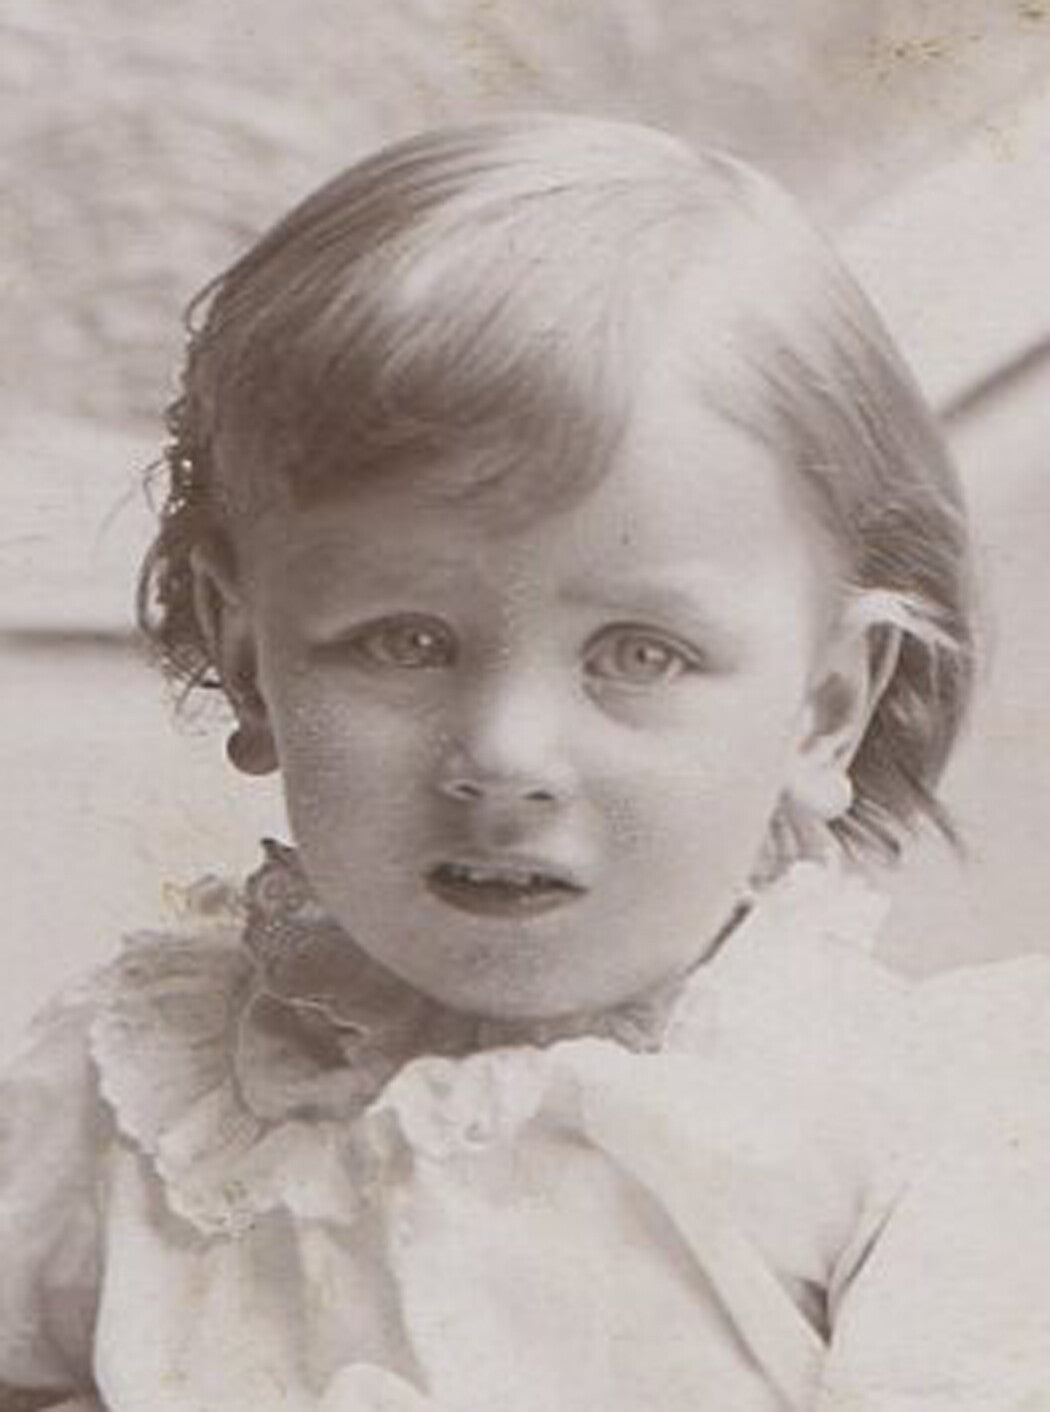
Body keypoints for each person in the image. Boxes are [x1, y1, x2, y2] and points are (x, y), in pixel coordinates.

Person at [1, 114, 1047, 1412]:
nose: (503, 754)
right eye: (402, 641)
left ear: (823, 711)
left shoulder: (901, 1123)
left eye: (640, 655)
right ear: (250, 655)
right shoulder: (132, 1098)